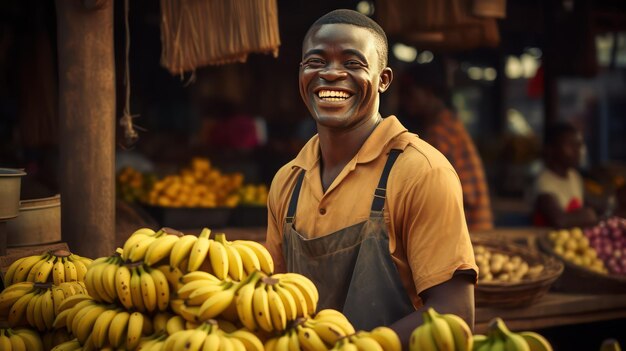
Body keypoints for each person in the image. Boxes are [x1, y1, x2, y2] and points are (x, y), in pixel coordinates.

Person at [264, 9, 477, 345]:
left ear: (383, 79)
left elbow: (455, 311)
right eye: (316, 61)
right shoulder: (287, 181)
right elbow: (271, 299)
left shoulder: (421, 172)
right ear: (301, 73)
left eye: (352, 63)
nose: (331, 73)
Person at [399, 62, 494, 232]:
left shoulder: (439, 131)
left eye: (410, 94)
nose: (405, 101)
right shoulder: (448, 122)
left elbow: (439, 190)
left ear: (428, 93)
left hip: (469, 228)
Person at [531, 122, 598, 228]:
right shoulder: (544, 182)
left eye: (578, 145)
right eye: (570, 145)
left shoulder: (574, 176)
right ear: (551, 149)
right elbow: (559, 220)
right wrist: (588, 215)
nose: (577, 151)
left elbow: (588, 207)